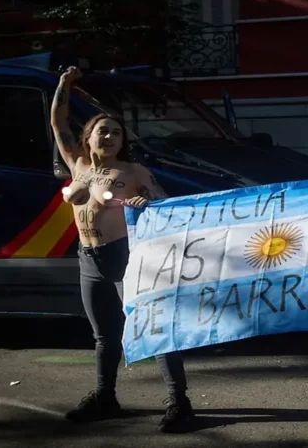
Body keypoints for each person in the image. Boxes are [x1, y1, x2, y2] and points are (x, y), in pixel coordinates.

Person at [51, 66, 194, 433]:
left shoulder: (132, 171)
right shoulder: (78, 165)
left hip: (126, 259)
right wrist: (64, 84)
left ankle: (179, 403)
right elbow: (58, 123)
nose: (111, 136)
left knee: (152, 329)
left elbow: (165, 207)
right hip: (89, 260)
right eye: (104, 130)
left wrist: (146, 204)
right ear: (89, 137)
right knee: (104, 336)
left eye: (117, 132)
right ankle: (105, 398)